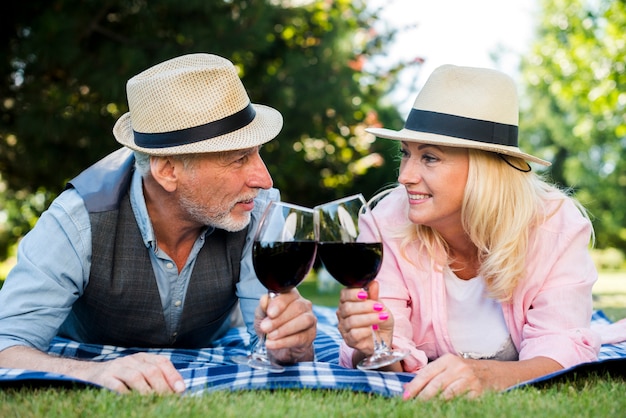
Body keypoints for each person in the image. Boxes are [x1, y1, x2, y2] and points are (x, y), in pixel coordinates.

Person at [0, 53, 317, 394]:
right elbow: (6, 346)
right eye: (239, 159)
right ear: (167, 170)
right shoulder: (78, 220)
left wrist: (292, 343)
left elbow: (275, 343)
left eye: (257, 153)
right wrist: (94, 372)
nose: (265, 179)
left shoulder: (257, 210)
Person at [336, 64, 601, 400]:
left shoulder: (556, 226)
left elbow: (562, 352)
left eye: (429, 158)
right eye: (405, 154)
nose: (405, 176)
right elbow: (385, 355)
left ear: (484, 169)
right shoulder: (385, 221)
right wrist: (376, 343)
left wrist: (487, 375)